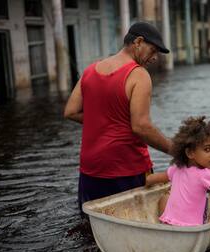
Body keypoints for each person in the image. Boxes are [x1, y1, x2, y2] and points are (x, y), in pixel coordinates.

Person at [64, 22, 173, 215]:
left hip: (91, 168)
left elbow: (71, 111)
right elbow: (141, 126)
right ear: (138, 42)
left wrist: (103, 120)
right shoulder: (138, 75)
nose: (155, 57)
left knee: (92, 226)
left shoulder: (90, 70)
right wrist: (175, 150)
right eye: (153, 50)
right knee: (133, 225)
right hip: (125, 168)